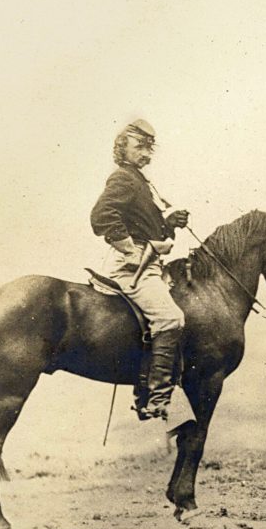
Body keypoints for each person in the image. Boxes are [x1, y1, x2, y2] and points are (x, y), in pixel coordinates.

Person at [90, 119, 191, 420]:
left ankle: (145, 391)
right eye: (139, 147)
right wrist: (129, 249)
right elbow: (101, 216)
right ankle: (157, 399)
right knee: (171, 318)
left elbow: (145, 226)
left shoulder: (140, 181)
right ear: (122, 148)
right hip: (133, 267)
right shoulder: (124, 178)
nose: (145, 154)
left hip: (149, 262)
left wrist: (169, 222)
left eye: (149, 149)